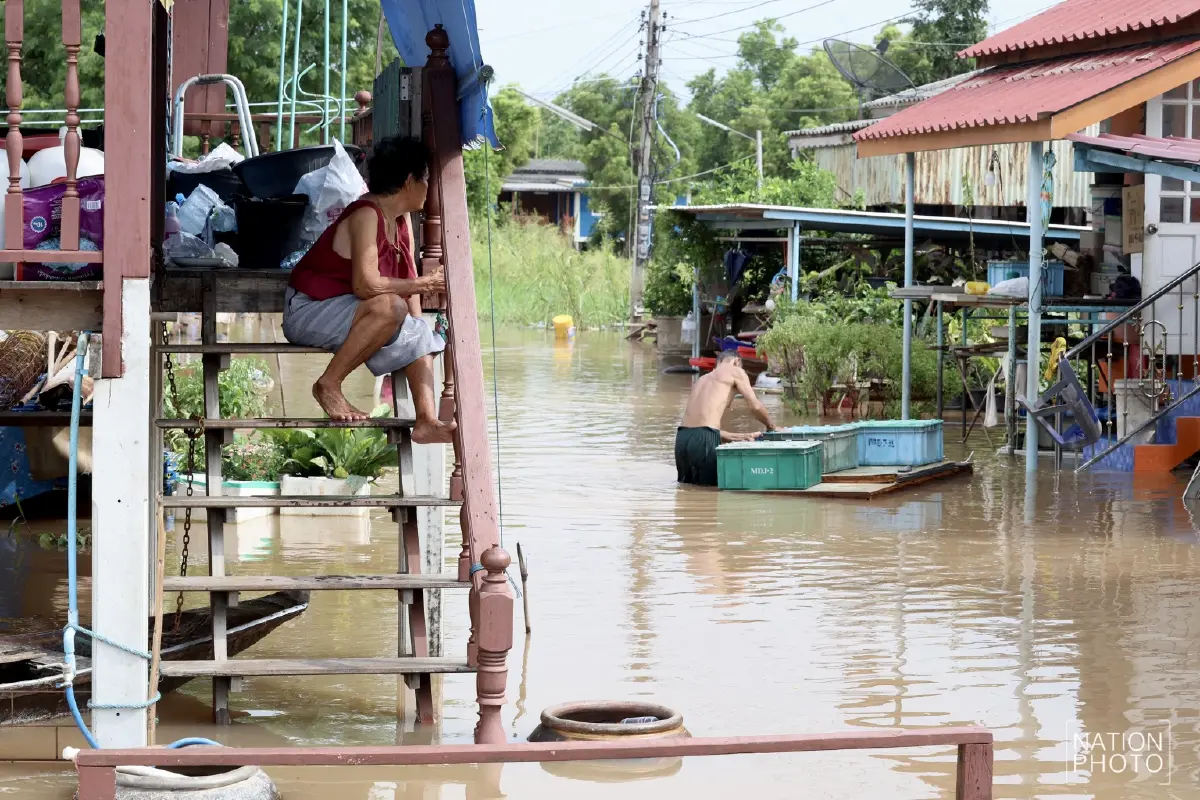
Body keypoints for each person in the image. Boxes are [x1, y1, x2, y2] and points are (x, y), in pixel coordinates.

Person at [282, 136, 454, 444]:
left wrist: (419, 331)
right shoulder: (365, 214)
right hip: (310, 311)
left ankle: (427, 420)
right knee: (392, 308)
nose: (429, 187)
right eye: (426, 179)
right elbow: (366, 285)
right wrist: (426, 284)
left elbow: (408, 281)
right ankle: (329, 384)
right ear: (410, 181)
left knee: (420, 331)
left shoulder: (402, 221)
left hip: (354, 312)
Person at [675, 350, 776, 486]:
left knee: (686, 492)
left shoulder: (702, 379)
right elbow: (755, 406)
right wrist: (771, 427)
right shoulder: (735, 371)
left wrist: (741, 436)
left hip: (681, 439)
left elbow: (700, 429)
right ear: (736, 362)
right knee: (711, 495)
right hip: (703, 438)